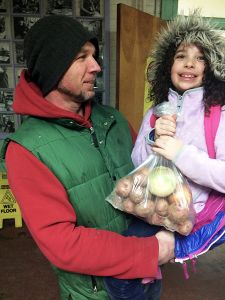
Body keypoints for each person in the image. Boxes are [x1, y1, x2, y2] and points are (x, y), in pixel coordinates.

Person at [0, 15, 175, 300]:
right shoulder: (26, 150)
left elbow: (147, 181)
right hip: (95, 292)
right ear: (52, 67)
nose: (96, 66)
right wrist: (151, 251)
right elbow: (62, 244)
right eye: (82, 57)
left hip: (146, 280)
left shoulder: (113, 119)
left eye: (94, 55)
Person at [105, 11, 225, 299]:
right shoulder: (156, 111)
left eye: (200, 58)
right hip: (152, 210)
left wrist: (181, 153)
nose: (189, 64)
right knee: (127, 273)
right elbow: (138, 166)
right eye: (181, 55)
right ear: (167, 64)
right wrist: (153, 138)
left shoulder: (220, 114)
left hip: (196, 216)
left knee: (126, 277)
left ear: (212, 68)